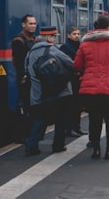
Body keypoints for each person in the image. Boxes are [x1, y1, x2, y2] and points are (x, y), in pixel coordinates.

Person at [74, 15, 109, 160]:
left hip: (91, 91)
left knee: (95, 120)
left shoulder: (84, 45)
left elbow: (77, 66)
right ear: (108, 27)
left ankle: (96, 150)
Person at [23, 26, 74, 156]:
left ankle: (31, 146)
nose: (54, 39)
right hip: (58, 92)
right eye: (53, 36)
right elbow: (70, 63)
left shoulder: (30, 53)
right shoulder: (52, 49)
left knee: (39, 120)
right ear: (49, 37)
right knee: (60, 120)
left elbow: (27, 72)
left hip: (38, 93)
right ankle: (58, 145)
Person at [10, 14, 37, 141]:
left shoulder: (34, 39)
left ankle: (28, 132)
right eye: (30, 23)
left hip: (33, 78)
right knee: (24, 105)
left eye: (34, 23)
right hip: (25, 78)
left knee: (31, 106)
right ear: (23, 25)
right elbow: (19, 62)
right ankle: (20, 134)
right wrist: (24, 76)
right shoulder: (18, 40)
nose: (33, 26)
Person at [59, 27, 86, 138]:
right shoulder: (65, 48)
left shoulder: (81, 47)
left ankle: (77, 128)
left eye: (78, 33)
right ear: (69, 35)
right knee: (71, 106)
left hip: (79, 80)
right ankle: (69, 129)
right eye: (74, 34)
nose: (77, 35)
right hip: (70, 80)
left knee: (78, 106)